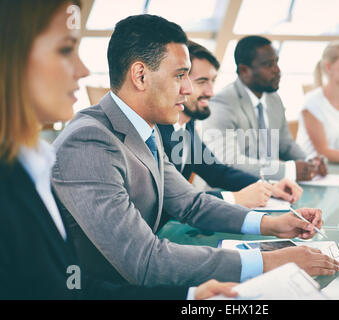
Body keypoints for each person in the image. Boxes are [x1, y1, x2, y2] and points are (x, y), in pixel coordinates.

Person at [51, 14, 339, 289]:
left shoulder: (143, 128)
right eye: (180, 75)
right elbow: (145, 260)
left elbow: (191, 204)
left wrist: (273, 224)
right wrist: (271, 260)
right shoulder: (90, 141)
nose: (188, 89)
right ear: (140, 76)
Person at [0, 0, 238, 300]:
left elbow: (73, 286)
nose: (83, 69)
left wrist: (190, 298)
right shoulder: (84, 141)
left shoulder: (30, 164)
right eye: (64, 50)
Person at [158, 41, 303, 212]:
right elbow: (176, 198)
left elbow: (217, 172)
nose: (211, 92)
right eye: (202, 81)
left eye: (212, 81)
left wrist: (268, 187)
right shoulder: (158, 132)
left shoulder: (186, 126)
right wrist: (235, 198)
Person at [201, 35, 327, 182]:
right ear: (244, 70)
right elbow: (231, 161)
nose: (277, 70)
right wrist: (287, 171)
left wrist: (310, 162)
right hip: (238, 190)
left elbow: (285, 145)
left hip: (276, 188)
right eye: (268, 65)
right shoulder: (223, 103)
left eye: (276, 62)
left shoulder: (273, 99)